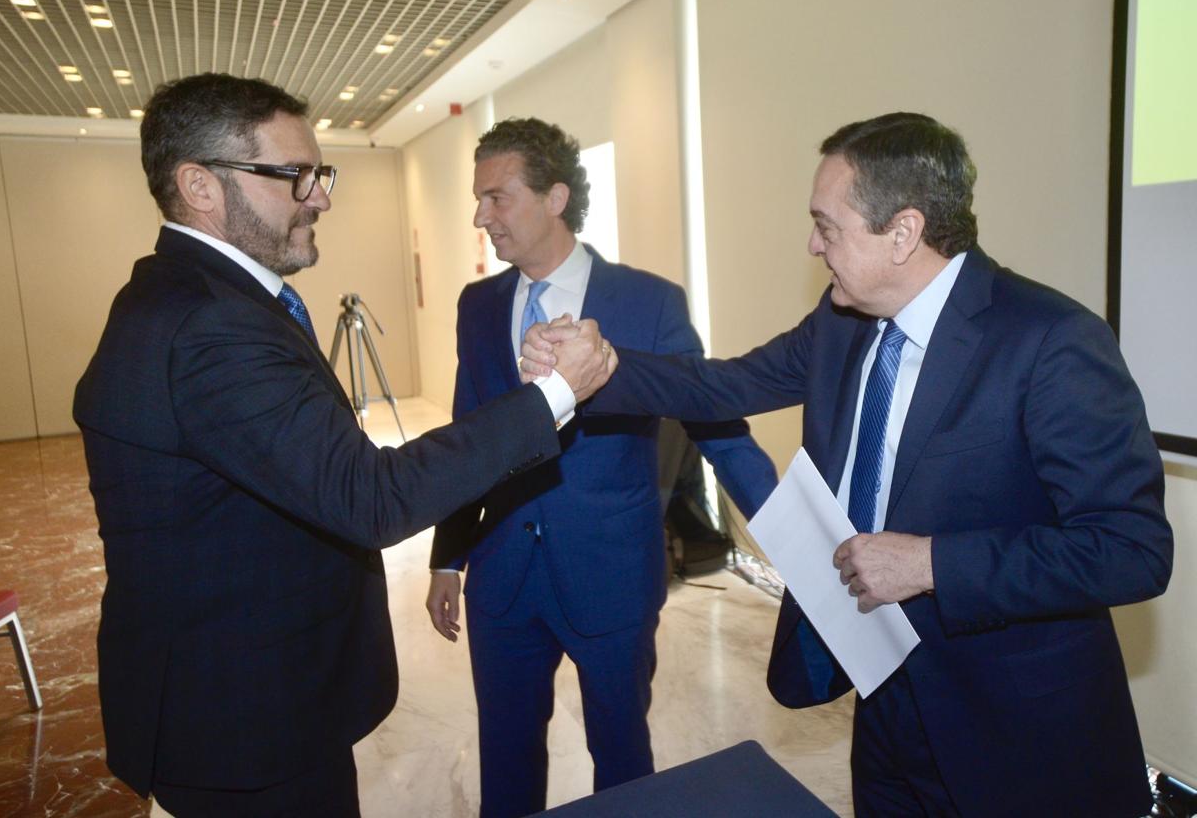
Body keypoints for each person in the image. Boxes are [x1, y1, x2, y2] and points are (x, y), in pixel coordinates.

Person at [522, 112, 1173, 817]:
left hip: (1014, 730)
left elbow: (1130, 550)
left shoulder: (1050, 341)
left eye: (827, 226)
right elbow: (721, 386)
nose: (812, 245)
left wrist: (931, 564)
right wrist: (597, 367)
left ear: (903, 233)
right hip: (883, 698)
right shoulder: (842, 324)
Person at [72, 74, 612, 818]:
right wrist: (556, 395)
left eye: (318, 173)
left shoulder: (195, 297)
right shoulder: (211, 327)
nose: (320, 196)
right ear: (199, 185)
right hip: (243, 722)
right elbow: (369, 495)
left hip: (253, 703)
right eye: (294, 176)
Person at [424, 117, 777, 817]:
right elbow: (468, 438)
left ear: (555, 197)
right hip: (503, 585)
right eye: (478, 199)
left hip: (610, 576)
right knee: (507, 758)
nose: (479, 216)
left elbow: (720, 429)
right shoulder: (478, 306)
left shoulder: (650, 303)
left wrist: (805, 547)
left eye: (497, 198)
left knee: (622, 761)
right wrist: (447, 559)